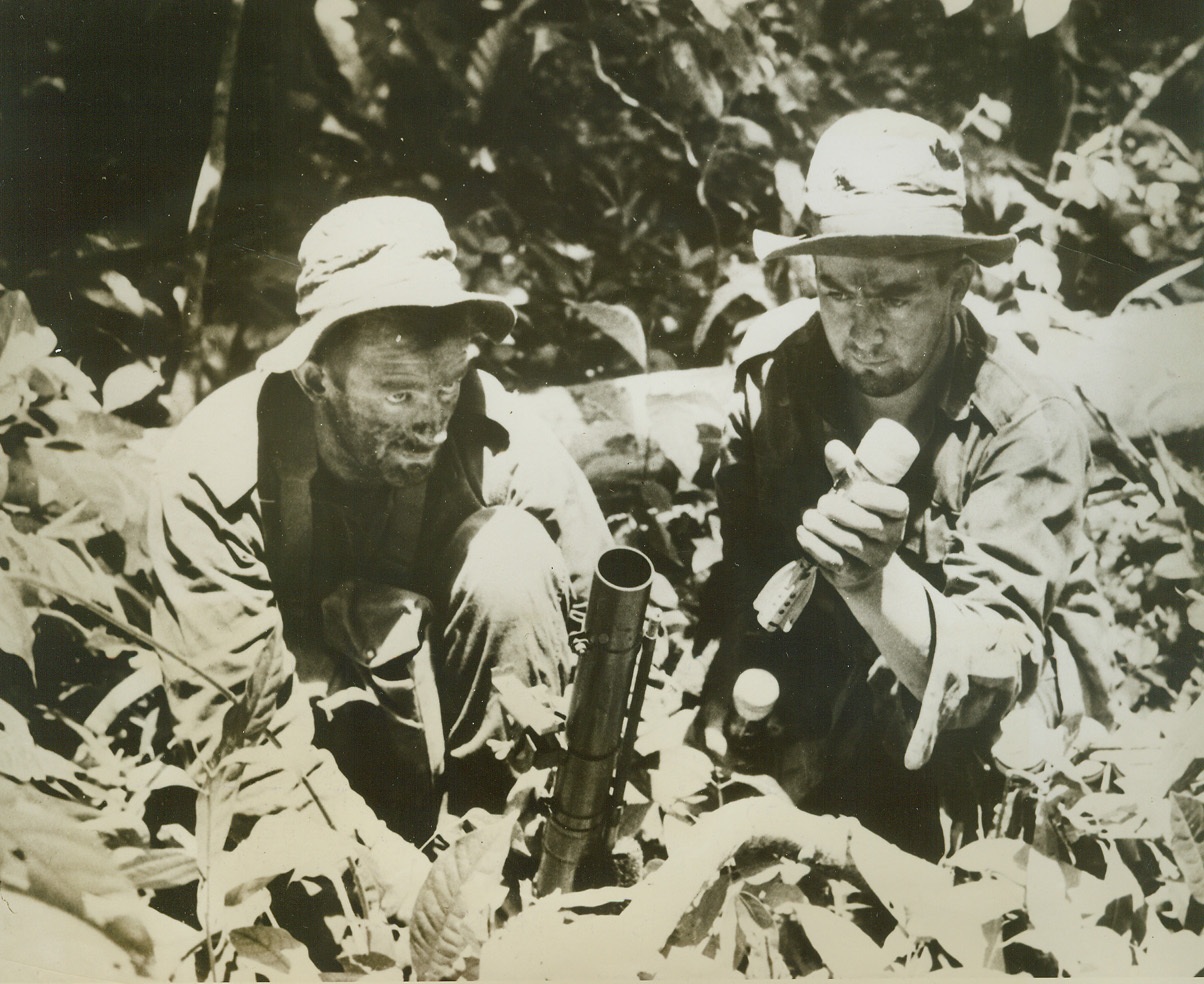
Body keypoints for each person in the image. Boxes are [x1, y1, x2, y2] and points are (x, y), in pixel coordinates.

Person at [148, 197, 612, 897]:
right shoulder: (213, 474)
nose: (431, 419)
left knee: (510, 552)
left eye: (448, 384)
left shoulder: (503, 444)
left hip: (461, 766)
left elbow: (609, 647)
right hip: (295, 777)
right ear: (315, 379)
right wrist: (398, 889)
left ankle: (517, 866)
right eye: (398, 396)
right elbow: (240, 738)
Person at [696, 110, 1118, 860]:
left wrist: (873, 584)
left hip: (990, 723)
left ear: (958, 283)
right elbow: (744, 573)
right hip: (826, 681)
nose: (862, 329)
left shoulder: (1028, 416)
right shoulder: (774, 381)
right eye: (836, 293)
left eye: (894, 297)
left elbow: (992, 673)